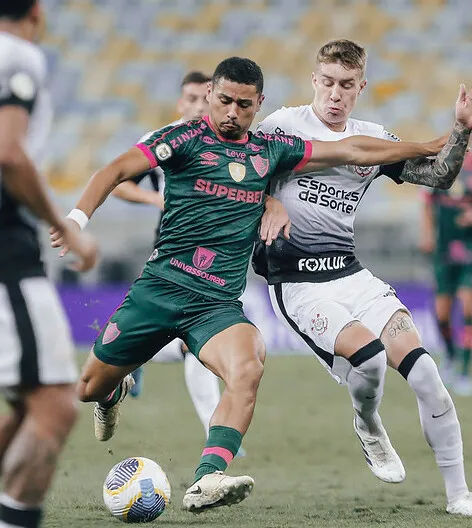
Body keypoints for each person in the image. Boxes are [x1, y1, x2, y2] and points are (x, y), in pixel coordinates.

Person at [51, 56, 450, 514]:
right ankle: (112, 393)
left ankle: (207, 478)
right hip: (159, 289)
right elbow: (115, 170)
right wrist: (77, 219)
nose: (231, 113)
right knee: (87, 388)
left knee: (249, 365)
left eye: (243, 104)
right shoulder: (181, 138)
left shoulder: (269, 150)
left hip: (216, 304)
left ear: (259, 104)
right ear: (209, 98)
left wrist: (431, 144)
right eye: (223, 101)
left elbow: (354, 151)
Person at [253, 39, 472, 516]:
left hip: (351, 274)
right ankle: (368, 422)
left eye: (346, 86)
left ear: (361, 87)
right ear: (315, 80)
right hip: (298, 283)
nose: (335, 94)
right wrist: (269, 199)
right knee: (370, 360)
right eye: (328, 83)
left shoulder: (372, 138)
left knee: (428, 374)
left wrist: (459, 130)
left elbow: (439, 177)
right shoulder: (282, 126)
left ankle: (460, 495)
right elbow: (244, 175)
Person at [0, 1, 97, 527]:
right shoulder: (16, 57)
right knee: (56, 405)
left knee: (31, 406)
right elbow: (9, 153)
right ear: (36, 13)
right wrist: (66, 227)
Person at [112, 71, 227, 450]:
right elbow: (121, 181)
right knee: (195, 340)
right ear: (181, 102)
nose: (197, 105)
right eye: (190, 98)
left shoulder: (227, 138)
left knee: (195, 339)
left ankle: (134, 355)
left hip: (220, 254)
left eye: (203, 98)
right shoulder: (164, 138)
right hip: (173, 248)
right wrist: (155, 199)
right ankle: (219, 430)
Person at [420, 151, 472, 396]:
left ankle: (464, 371)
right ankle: (451, 356)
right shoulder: (445, 162)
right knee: (442, 314)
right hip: (444, 251)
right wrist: (427, 234)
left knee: (468, 306)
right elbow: (428, 203)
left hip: (469, 250)